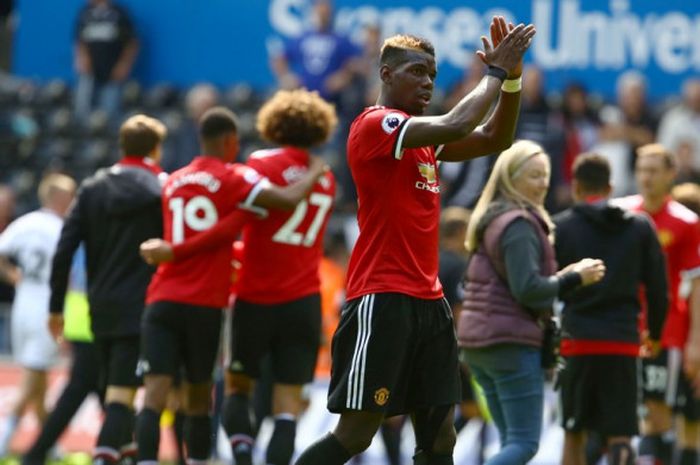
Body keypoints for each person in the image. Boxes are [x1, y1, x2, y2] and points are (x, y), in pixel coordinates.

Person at [291, 15, 536, 465]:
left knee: (441, 437)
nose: (427, 83)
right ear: (386, 75)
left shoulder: (423, 140)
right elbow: (462, 122)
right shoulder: (376, 125)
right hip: (382, 298)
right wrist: (495, 73)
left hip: (430, 301)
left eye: (432, 75)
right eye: (417, 72)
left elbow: (495, 137)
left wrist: (512, 82)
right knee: (356, 434)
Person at [134, 106, 329, 465]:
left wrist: (177, 250)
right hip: (296, 298)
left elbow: (221, 228)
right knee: (272, 408)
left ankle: (239, 455)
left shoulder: (178, 178)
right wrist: (316, 169)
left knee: (191, 393)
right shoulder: (322, 179)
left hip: (233, 297)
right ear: (229, 140)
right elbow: (284, 206)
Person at [457, 140, 605, 465]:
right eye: (534, 175)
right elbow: (528, 290)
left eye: (546, 175)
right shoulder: (519, 224)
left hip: (479, 343)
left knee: (510, 440)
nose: (543, 183)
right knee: (524, 444)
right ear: (511, 178)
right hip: (508, 342)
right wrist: (574, 277)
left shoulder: (493, 218)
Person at [49, 114, 167, 465]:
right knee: (122, 396)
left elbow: (64, 250)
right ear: (156, 149)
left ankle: (125, 453)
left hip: (98, 309)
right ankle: (107, 456)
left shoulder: (91, 189)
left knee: (116, 393)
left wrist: (55, 308)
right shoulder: (163, 189)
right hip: (146, 308)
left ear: (121, 145)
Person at [553, 153, 668, 465]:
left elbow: (548, 288)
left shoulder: (562, 227)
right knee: (621, 432)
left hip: (576, 341)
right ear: (611, 186)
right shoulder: (640, 227)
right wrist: (654, 334)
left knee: (573, 431)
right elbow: (659, 289)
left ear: (576, 187)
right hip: (623, 341)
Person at [614, 143, 700, 465]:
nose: (646, 177)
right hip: (622, 327)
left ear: (670, 175)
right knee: (630, 413)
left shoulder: (685, 222)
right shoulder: (622, 215)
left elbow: (696, 282)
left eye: (653, 170)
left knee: (659, 412)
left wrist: (695, 340)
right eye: (641, 170)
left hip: (666, 331)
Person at [0, 173, 77, 457]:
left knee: (38, 378)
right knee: (33, 377)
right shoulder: (62, 228)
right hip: (48, 308)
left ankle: (51, 447)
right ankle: (4, 439)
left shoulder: (25, 223)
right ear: (60, 198)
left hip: (23, 305)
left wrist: (14, 276)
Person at [22, 246, 103, 465]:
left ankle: (36, 454)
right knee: (85, 391)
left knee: (98, 391)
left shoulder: (82, 230)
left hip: (80, 319)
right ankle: (35, 454)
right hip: (95, 321)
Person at [74, 0, 138, 121]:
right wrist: (82, 58)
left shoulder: (119, 14)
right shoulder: (85, 13)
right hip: (90, 70)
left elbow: (132, 42)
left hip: (112, 69)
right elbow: (79, 39)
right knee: (82, 107)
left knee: (110, 110)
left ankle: (108, 137)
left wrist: (124, 64)